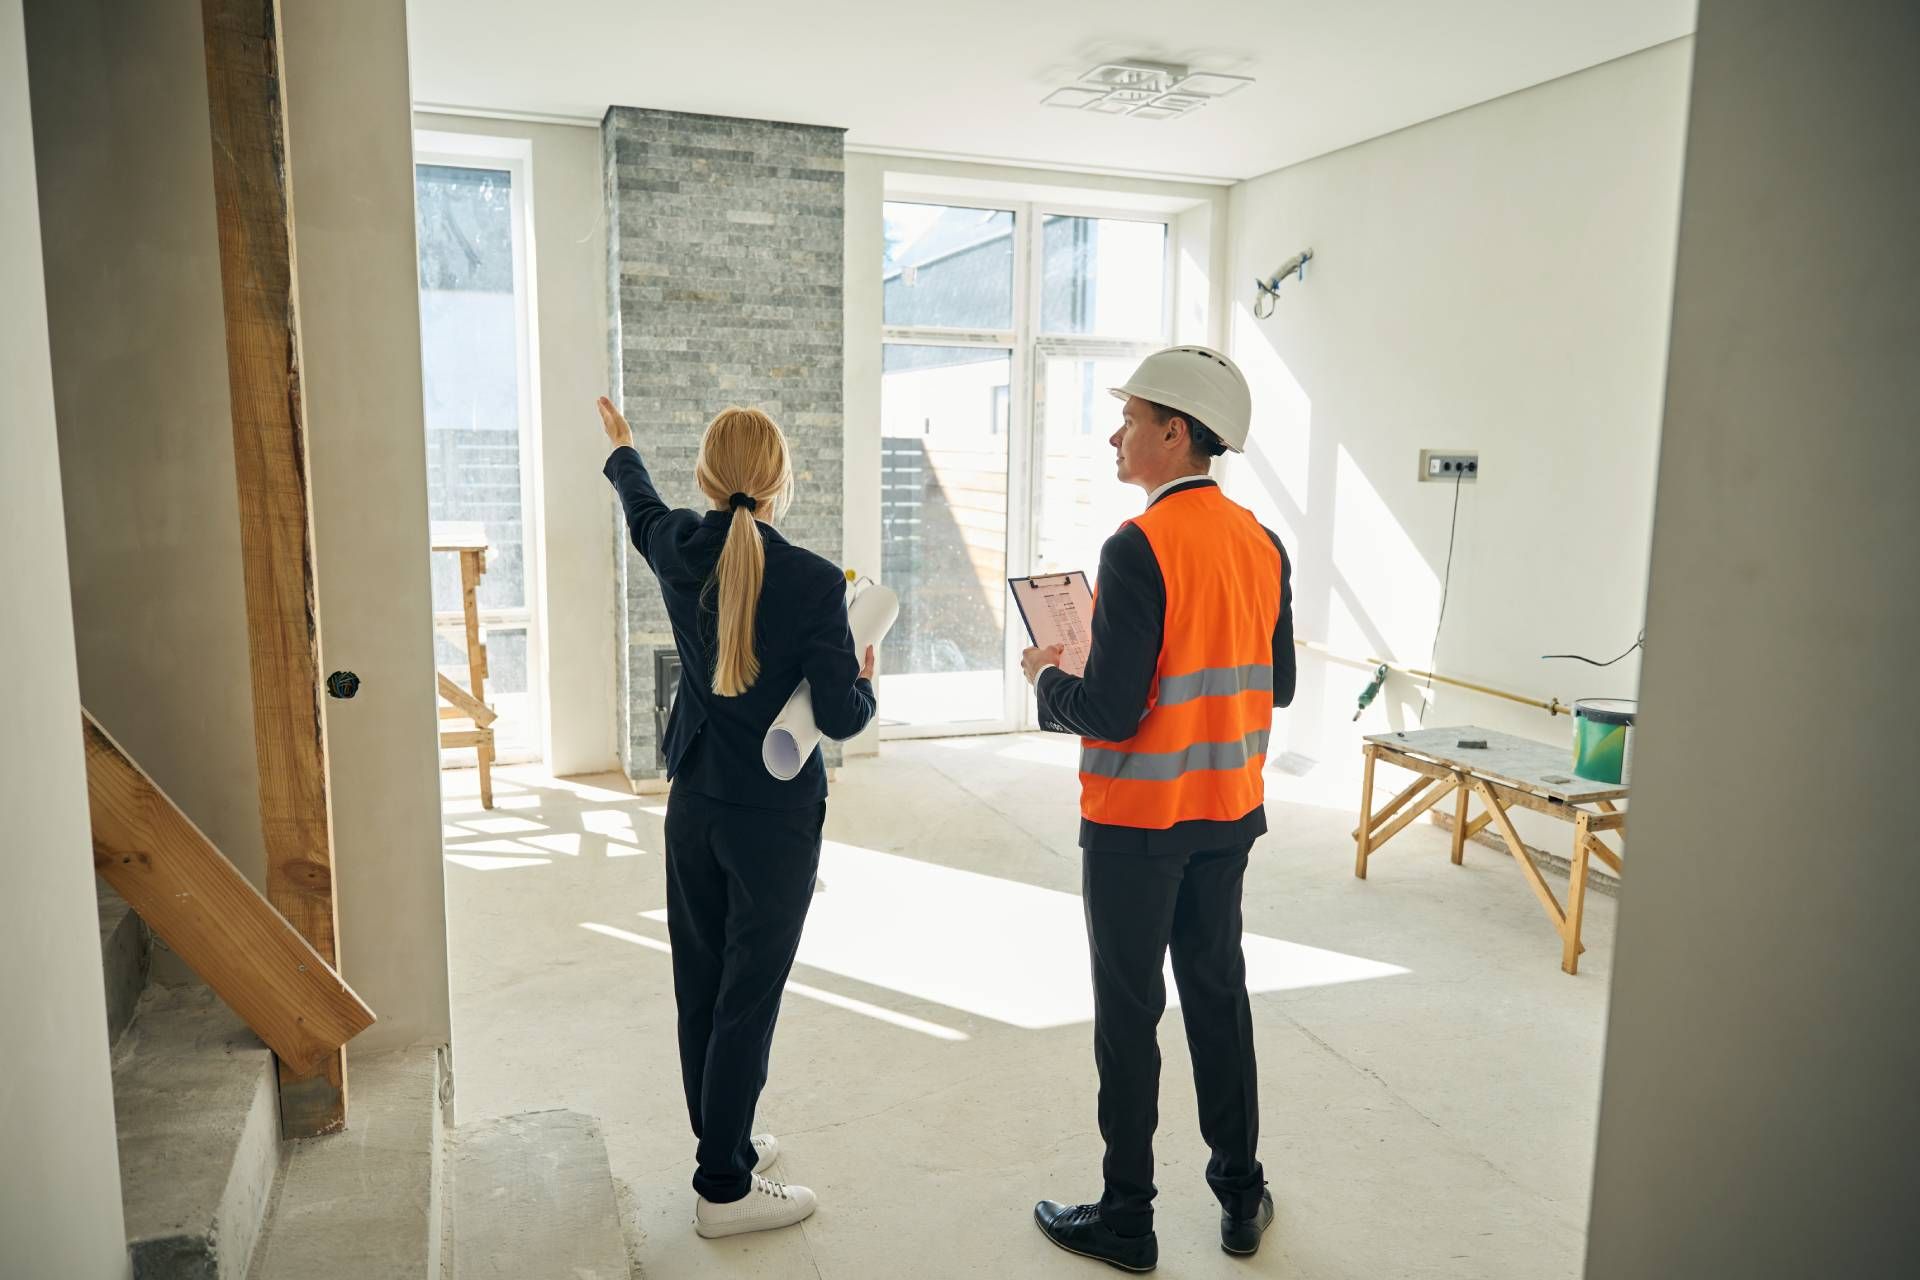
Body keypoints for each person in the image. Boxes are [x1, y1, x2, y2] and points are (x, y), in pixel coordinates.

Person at [1021, 347, 1294, 1271]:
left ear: (1175, 432)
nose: (1116, 433)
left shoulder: (1136, 548)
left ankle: (1128, 1220)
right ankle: (1241, 1198)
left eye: (1130, 417)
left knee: (1129, 1013)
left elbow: (1109, 709)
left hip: (1138, 826)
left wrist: (1052, 675)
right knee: (1218, 998)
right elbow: (1280, 683)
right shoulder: (1262, 541)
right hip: (1227, 811)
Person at [598, 395, 876, 1239]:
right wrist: (864, 676)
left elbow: (640, 510)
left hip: (696, 803)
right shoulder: (818, 582)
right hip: (774, 820)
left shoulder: (681, 549)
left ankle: (724, 1141)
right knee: (748, 997)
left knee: (703, 983)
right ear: (782, 483)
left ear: (708, 481)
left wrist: (624, 448)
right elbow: (840, 715)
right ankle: (723, 1187)